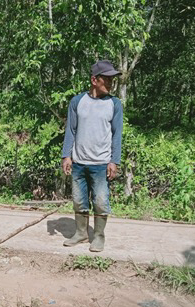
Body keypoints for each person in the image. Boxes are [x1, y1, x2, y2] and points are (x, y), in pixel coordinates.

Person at [61, 60, 123, 252]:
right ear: (94, 80)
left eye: (113, 79)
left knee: (101, 201)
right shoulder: (77, 102)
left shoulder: (114, 104)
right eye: (107, 79)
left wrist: (114, 161)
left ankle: (98, 236)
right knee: (79, 200)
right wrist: (66, 156)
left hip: (101, 164)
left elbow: (117, 134)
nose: (111, 83)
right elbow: (70, 130)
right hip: (79, 162)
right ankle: (80, 233)